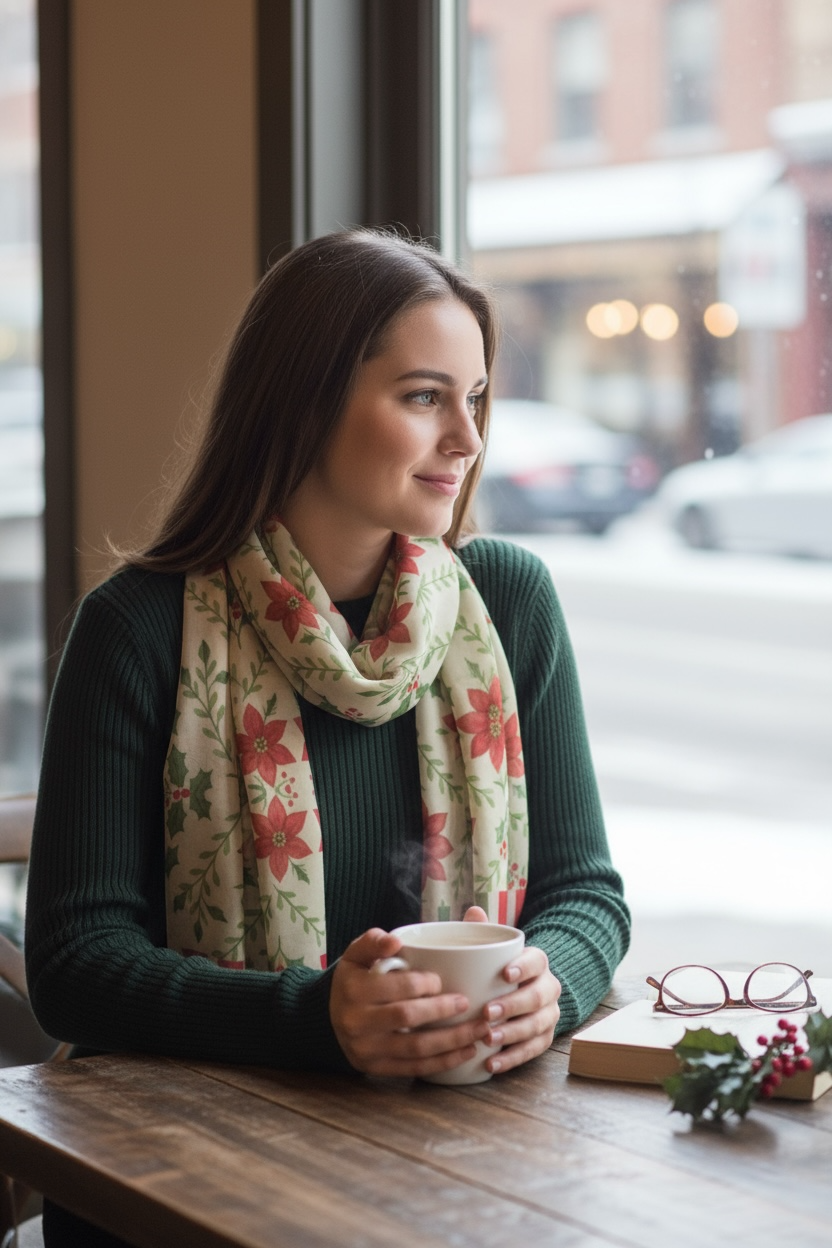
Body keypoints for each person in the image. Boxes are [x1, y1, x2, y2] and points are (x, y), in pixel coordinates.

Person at [25, 228, 630, 1246]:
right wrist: (318, 1021)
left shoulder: (508, 601)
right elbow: (75, 963)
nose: (467, 441)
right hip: (188, 1172)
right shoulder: (140, 625)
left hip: (453, 1161)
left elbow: (585, 895)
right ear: (301, 401)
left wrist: (549, 988)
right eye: (424, 397)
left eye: (474, 399)